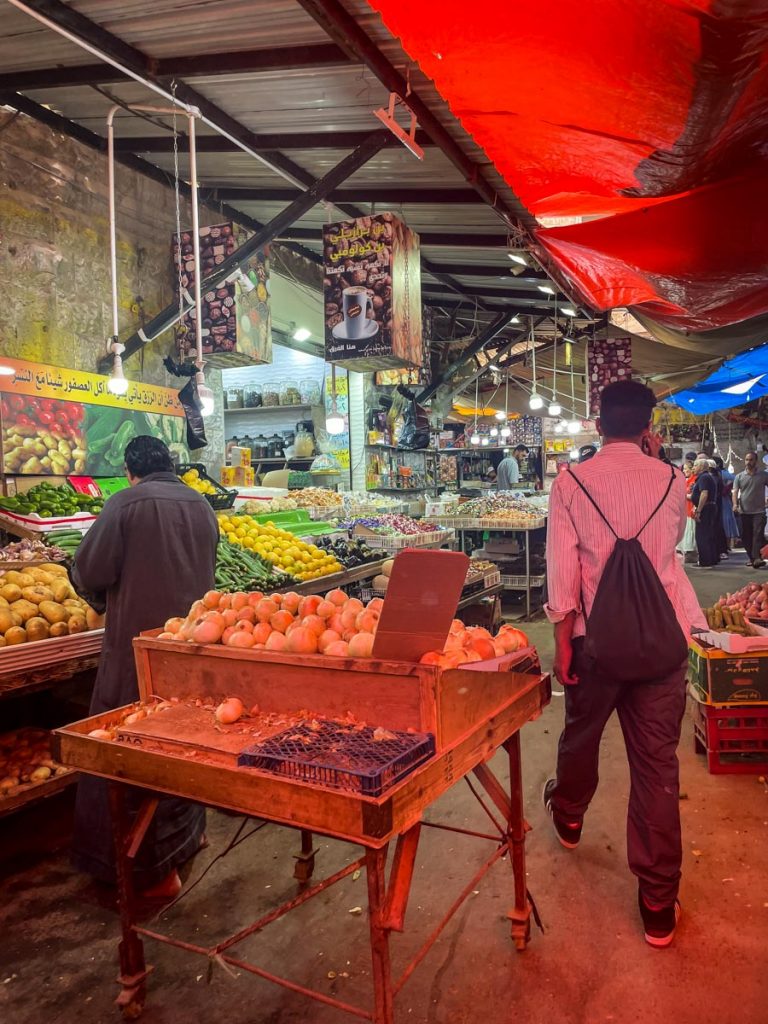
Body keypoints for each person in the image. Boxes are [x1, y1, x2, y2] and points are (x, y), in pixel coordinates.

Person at [544, 380, 705, 948]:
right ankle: (659, 905)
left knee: (581, 737)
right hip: (662, 645)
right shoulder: (671, 480)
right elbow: (670, 550)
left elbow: (563, 576)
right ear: (646, 428)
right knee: (657, 767)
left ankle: (567, 816)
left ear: (596, 423)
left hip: (596, 643)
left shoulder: (570, 483)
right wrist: (655, 463)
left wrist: (563, 644)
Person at [72, 436, 219, 898]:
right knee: (188, 740)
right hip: (191, 648)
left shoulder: (125, 503)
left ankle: (144, 870)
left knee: (128, 749)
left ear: (130, 469)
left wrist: (98, 598)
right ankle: (189, 839)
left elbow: (90, 571)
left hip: (139, 651)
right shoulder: (201, 504)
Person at [732, 451, 768, 568]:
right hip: (744, 511)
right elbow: (735, 492)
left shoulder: (763, 475)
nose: (748, 462)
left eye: (751, 460)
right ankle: (752, 558)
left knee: (757, 535)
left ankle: (757, 558)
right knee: (745, 535)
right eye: (747, 460)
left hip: (759, 511)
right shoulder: (739, 476)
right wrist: (735, 504)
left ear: (755, 461)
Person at [690, 458, 719, 567]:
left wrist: (698, 511)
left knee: (702, 536)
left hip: (706, 509)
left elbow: (704, 494)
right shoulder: (707, 477)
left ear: (701, 467)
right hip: (709, 508)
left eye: (695, 465)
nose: (693, 468)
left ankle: (705, 561)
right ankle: (711, 559)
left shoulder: (704, 477)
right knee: (708, 535)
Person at [714, 456, 739, 550]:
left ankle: (728, 544)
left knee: (725, 520)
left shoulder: (723, 473)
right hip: (720, 499)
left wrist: (728, 487)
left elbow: (735, 478)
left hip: (723, 500)